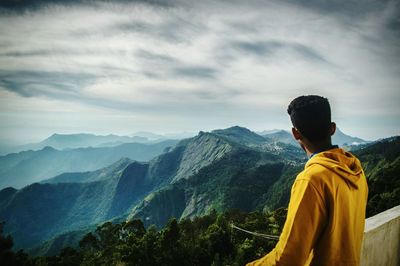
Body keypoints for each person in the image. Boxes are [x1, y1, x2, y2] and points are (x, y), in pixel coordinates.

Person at [246, 95, 368, 266]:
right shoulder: (356, 171)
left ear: (296, 133)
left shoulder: (312, 179)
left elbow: (287, 259)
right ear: (332, 128)